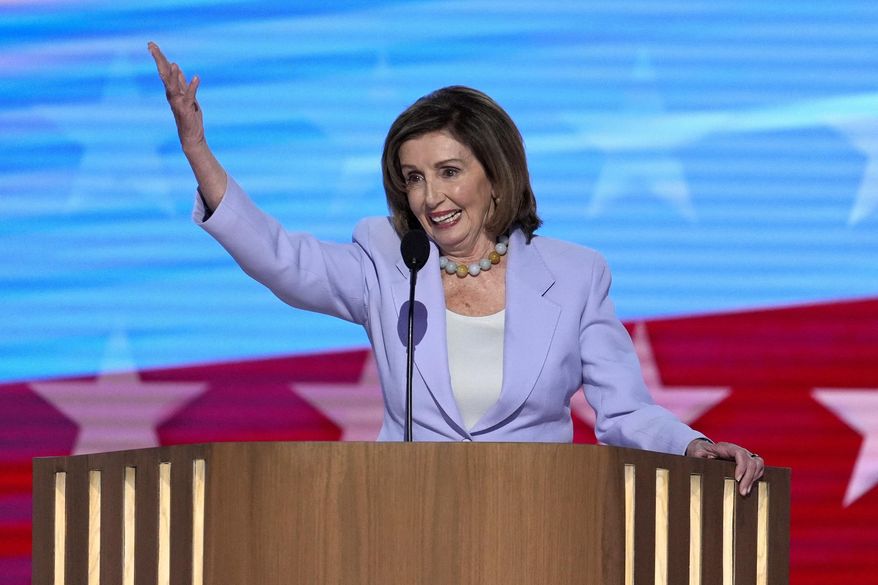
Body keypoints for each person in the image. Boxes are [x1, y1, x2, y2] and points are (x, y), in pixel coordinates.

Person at [148, 42, 765, 495]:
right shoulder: (389, 262)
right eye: (413, 178)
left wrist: (694, 446)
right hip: (406, 523)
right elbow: (282, 260)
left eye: (448, 172)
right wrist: (199, 152)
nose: (430, 197)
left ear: (494, 176)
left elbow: (625, 413)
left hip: (543, 524)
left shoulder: (577, 276)